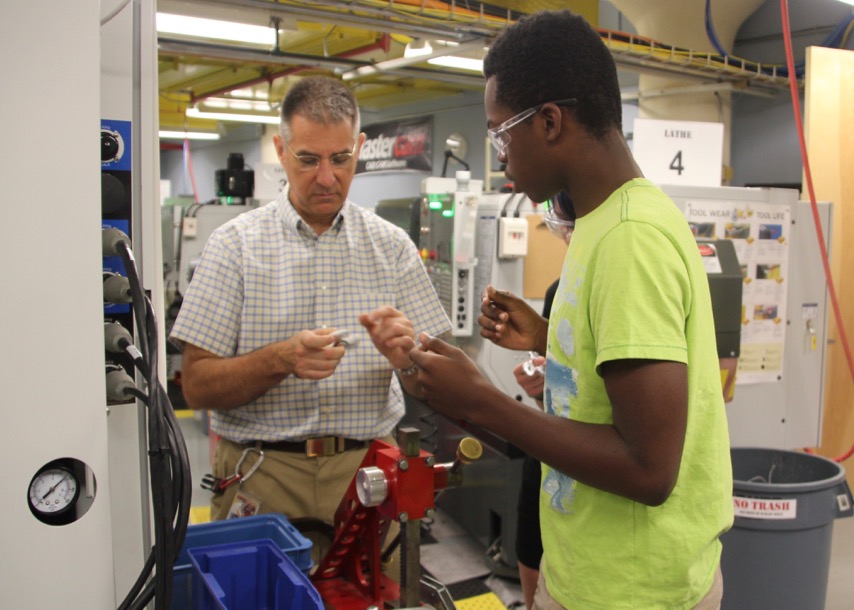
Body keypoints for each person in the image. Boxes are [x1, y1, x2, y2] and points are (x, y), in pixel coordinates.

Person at [408, 10, 733, 609]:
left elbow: (648, 469)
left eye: (501, 133)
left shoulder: (631, 239)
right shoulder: (601, 221)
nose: (501, 156)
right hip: (592, 570)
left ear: (551, 122)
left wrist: (482, 401)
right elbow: (622, 370)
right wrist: (551, 337)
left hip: (631, 592)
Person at [169, 76, 451, 537]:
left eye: (341, 159)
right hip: (264, 473)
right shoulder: (233, 247)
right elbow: (197, 386)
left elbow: (437, 379)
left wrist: (409, 362)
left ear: (359, 147)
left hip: (367, 472)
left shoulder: (392, 247)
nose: (326, 176)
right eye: (308, 159)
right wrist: (281, 360)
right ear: (281, 150)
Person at [511, 192, 575, 610]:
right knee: (531, 546)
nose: (571, 243)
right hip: (551, 461)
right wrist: (539, 390)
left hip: (591, 471)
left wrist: (479, 401)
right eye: (565, 231)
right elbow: (558, 401)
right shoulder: (559, 293)